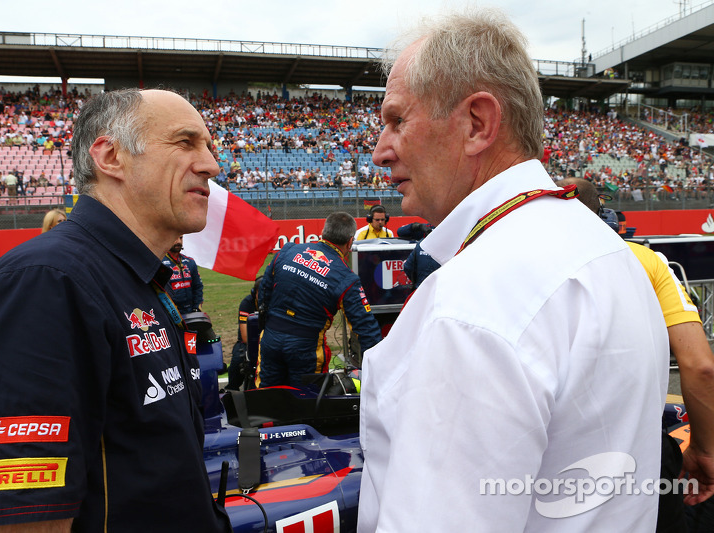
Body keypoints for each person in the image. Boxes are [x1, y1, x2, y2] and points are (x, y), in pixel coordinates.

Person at [358, 10, 669, 532]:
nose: (379, 151)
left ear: (477, 124)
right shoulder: (609, 250)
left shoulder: (473, 297)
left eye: (396, 121)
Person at [0, 89, 231, 532]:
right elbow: (25, 520)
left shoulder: (130, 274)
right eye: (186, 143)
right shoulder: (46, 282)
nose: (211, 166)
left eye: (210, 148)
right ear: (111, 156)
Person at [556, 178, 714, 528]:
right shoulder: (646, 260)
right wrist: (704, 450)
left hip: (547, 452)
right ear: (602, 213)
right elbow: (700, 365)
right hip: (642, 449)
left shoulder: (509, 263)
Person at [257, 211, 382, 388]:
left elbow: (263, 292)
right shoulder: (347, 278)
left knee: (264, 399)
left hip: (271, 338)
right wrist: (379, 368)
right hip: (306, 348)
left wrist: (267, 324)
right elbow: (366, 328)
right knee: (307, 405)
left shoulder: (287, 250)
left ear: (322, 233)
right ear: (350, 242)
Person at [225, 276, 262, 391]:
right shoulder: (247, 303)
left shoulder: (275, 301)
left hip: (267, 341)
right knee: (238, 360)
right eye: (260, 293)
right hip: (248, 343)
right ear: (254, 292)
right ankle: (231, 389)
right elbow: (245, 337)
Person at [161, 235, 204, 314]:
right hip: (171, 312)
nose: (178, 242)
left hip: (191, 310)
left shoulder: (190, 261)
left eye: (180, 238)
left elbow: (198, 287)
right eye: (175, 238)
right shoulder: (160, 263)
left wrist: (196, 307)